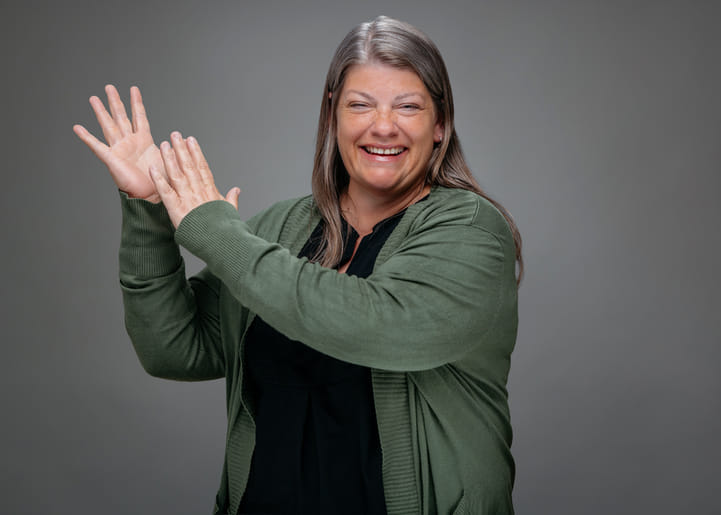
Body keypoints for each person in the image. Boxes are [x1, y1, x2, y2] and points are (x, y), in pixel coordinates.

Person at [73, 15, 522, 515]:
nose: (383, 125)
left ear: (440, 124)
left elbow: (373, 322)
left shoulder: (471, 230)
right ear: (333, 115)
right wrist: (150, 207)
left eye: (408, 106)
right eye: (360, 105)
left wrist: (218, 234)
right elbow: (175, 349)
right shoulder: (279, 228)